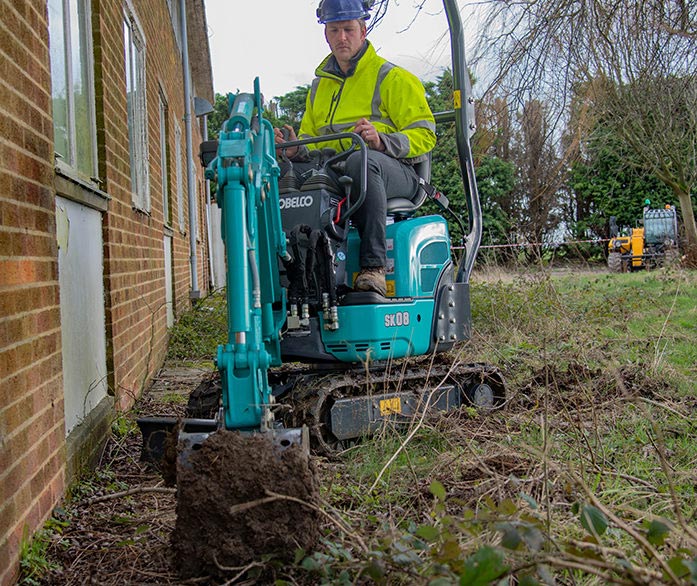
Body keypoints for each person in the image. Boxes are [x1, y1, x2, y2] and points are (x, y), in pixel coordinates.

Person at [274, 0, 436, 296]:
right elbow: (314, 143)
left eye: (348, 29)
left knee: (361, 161)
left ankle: (373, 267)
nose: (342, 37)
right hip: (341, 170)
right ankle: (300, 273)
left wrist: (382, 140)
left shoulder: (392, 78)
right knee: (288, 175)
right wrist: (296, 151)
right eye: (334, 30)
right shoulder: (319, 88)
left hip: (398, 171)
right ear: (326, 35)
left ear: (363, 31)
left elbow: (424, 135)